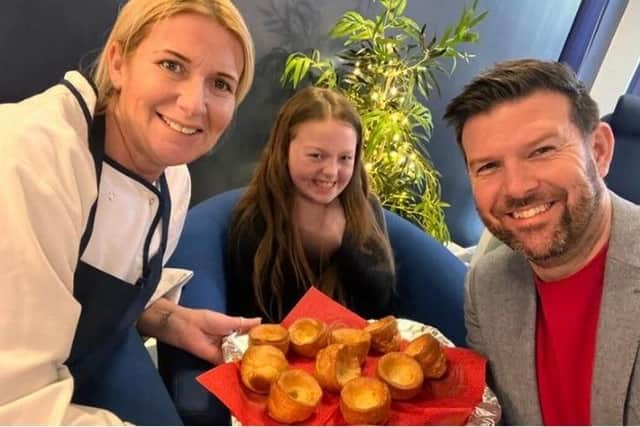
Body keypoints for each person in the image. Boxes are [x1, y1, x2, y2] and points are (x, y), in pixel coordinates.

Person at [0, 0, 262, 424]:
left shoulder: (174, 180)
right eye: (172, 65)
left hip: (97, 351)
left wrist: (170, 320)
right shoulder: (29, 160)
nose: (195, 104)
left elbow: (98, 276)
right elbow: (15, 402)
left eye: (220, 84)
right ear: (118, 62)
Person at [444, 58, 640, 425]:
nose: (517, 188)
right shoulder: (485, 286)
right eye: (488, 166)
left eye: (542, 151)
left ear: (598, 151)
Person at [226, 87, 396, 322]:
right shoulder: (254, 218)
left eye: (345, 158)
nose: (331, 171)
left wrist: (343, 243)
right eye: (316, 155)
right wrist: (311, 241)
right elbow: (255, 314)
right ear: (283, 151)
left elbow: (380, 301)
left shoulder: (365, 206)